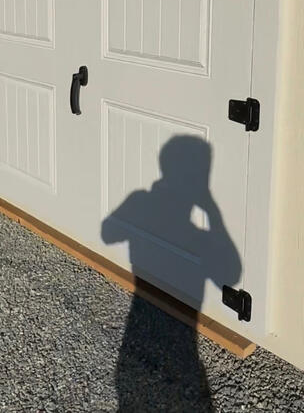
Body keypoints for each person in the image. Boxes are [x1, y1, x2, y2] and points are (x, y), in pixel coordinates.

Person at [102, 135, 241, 412]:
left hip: (141, 330)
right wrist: (212, 210)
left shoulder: (143, 202)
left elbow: (109, 233)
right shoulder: (197, 232)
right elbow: (230, 274)